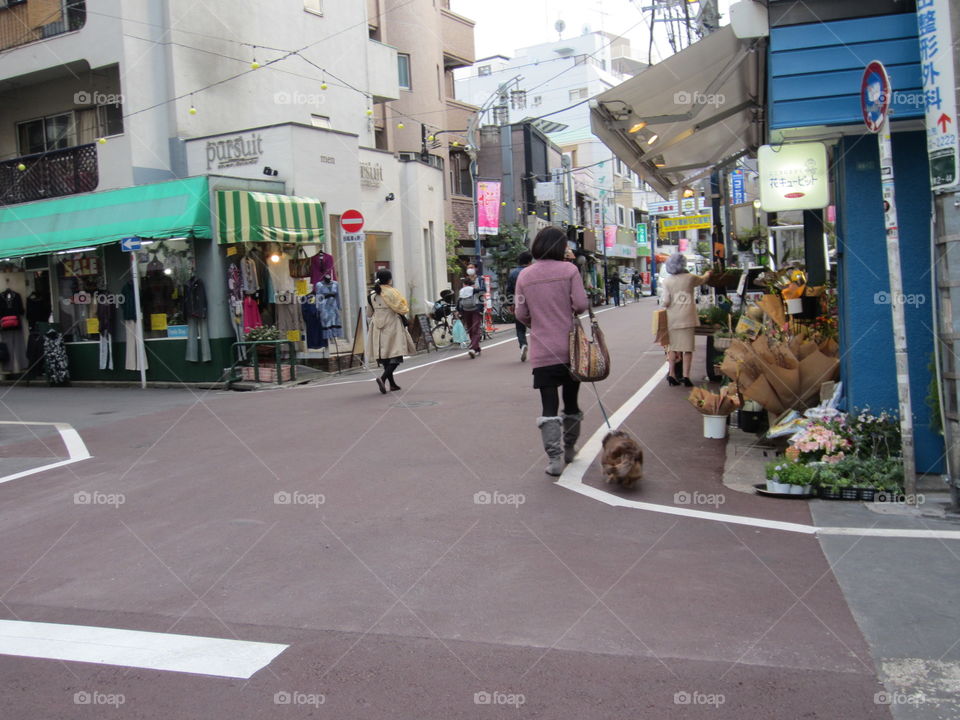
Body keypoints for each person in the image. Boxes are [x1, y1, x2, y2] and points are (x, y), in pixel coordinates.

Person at [515, 226, 590, 476]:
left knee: (548, 406)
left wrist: (537, 322)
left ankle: (554, 460)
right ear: (560, 246)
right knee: (571, 402)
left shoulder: (525, 276)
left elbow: (521, 314)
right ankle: (569, 448)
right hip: (571, 349)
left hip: (543, 350)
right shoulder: (570, 270)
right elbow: (580, 305)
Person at [660, 252, 711, 387]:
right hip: (688, 317)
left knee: (672, 347)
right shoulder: (690, 278)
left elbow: (665, 301)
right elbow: (703, 279)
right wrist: (708, 273)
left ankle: (671, 375)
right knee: (687, 348)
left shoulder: (667, 281)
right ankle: (686, 376)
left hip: (672, 318)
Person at [367, 269, 415, 393]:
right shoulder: (393, 293)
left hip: (377, 326)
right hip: (392, 324)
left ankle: (392, 384)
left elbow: (369, 313)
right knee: (396, 354)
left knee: (385, 356)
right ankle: (382, 379)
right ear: (389, 279)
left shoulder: (372, 295)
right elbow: (403, 309)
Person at [506, 250, 533, 362]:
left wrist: (510, 303)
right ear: (530, 261)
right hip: (533, 302)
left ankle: (523, 345)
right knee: (537, 326)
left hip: (518, 302)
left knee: (520, 328)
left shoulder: (513, 273)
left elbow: (509, 290)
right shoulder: (533, 271)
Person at [458, 264, 484, 358]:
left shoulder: (480, 279)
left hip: (476, 307)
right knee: (470, 328)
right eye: (468, 268)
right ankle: (476, 348)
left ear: (475, 269)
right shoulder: (465, 281)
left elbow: (483, 290)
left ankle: (472, 348)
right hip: (467, 309)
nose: (470, 269)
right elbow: (460, 300)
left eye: (471, 267)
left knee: (475, 328)